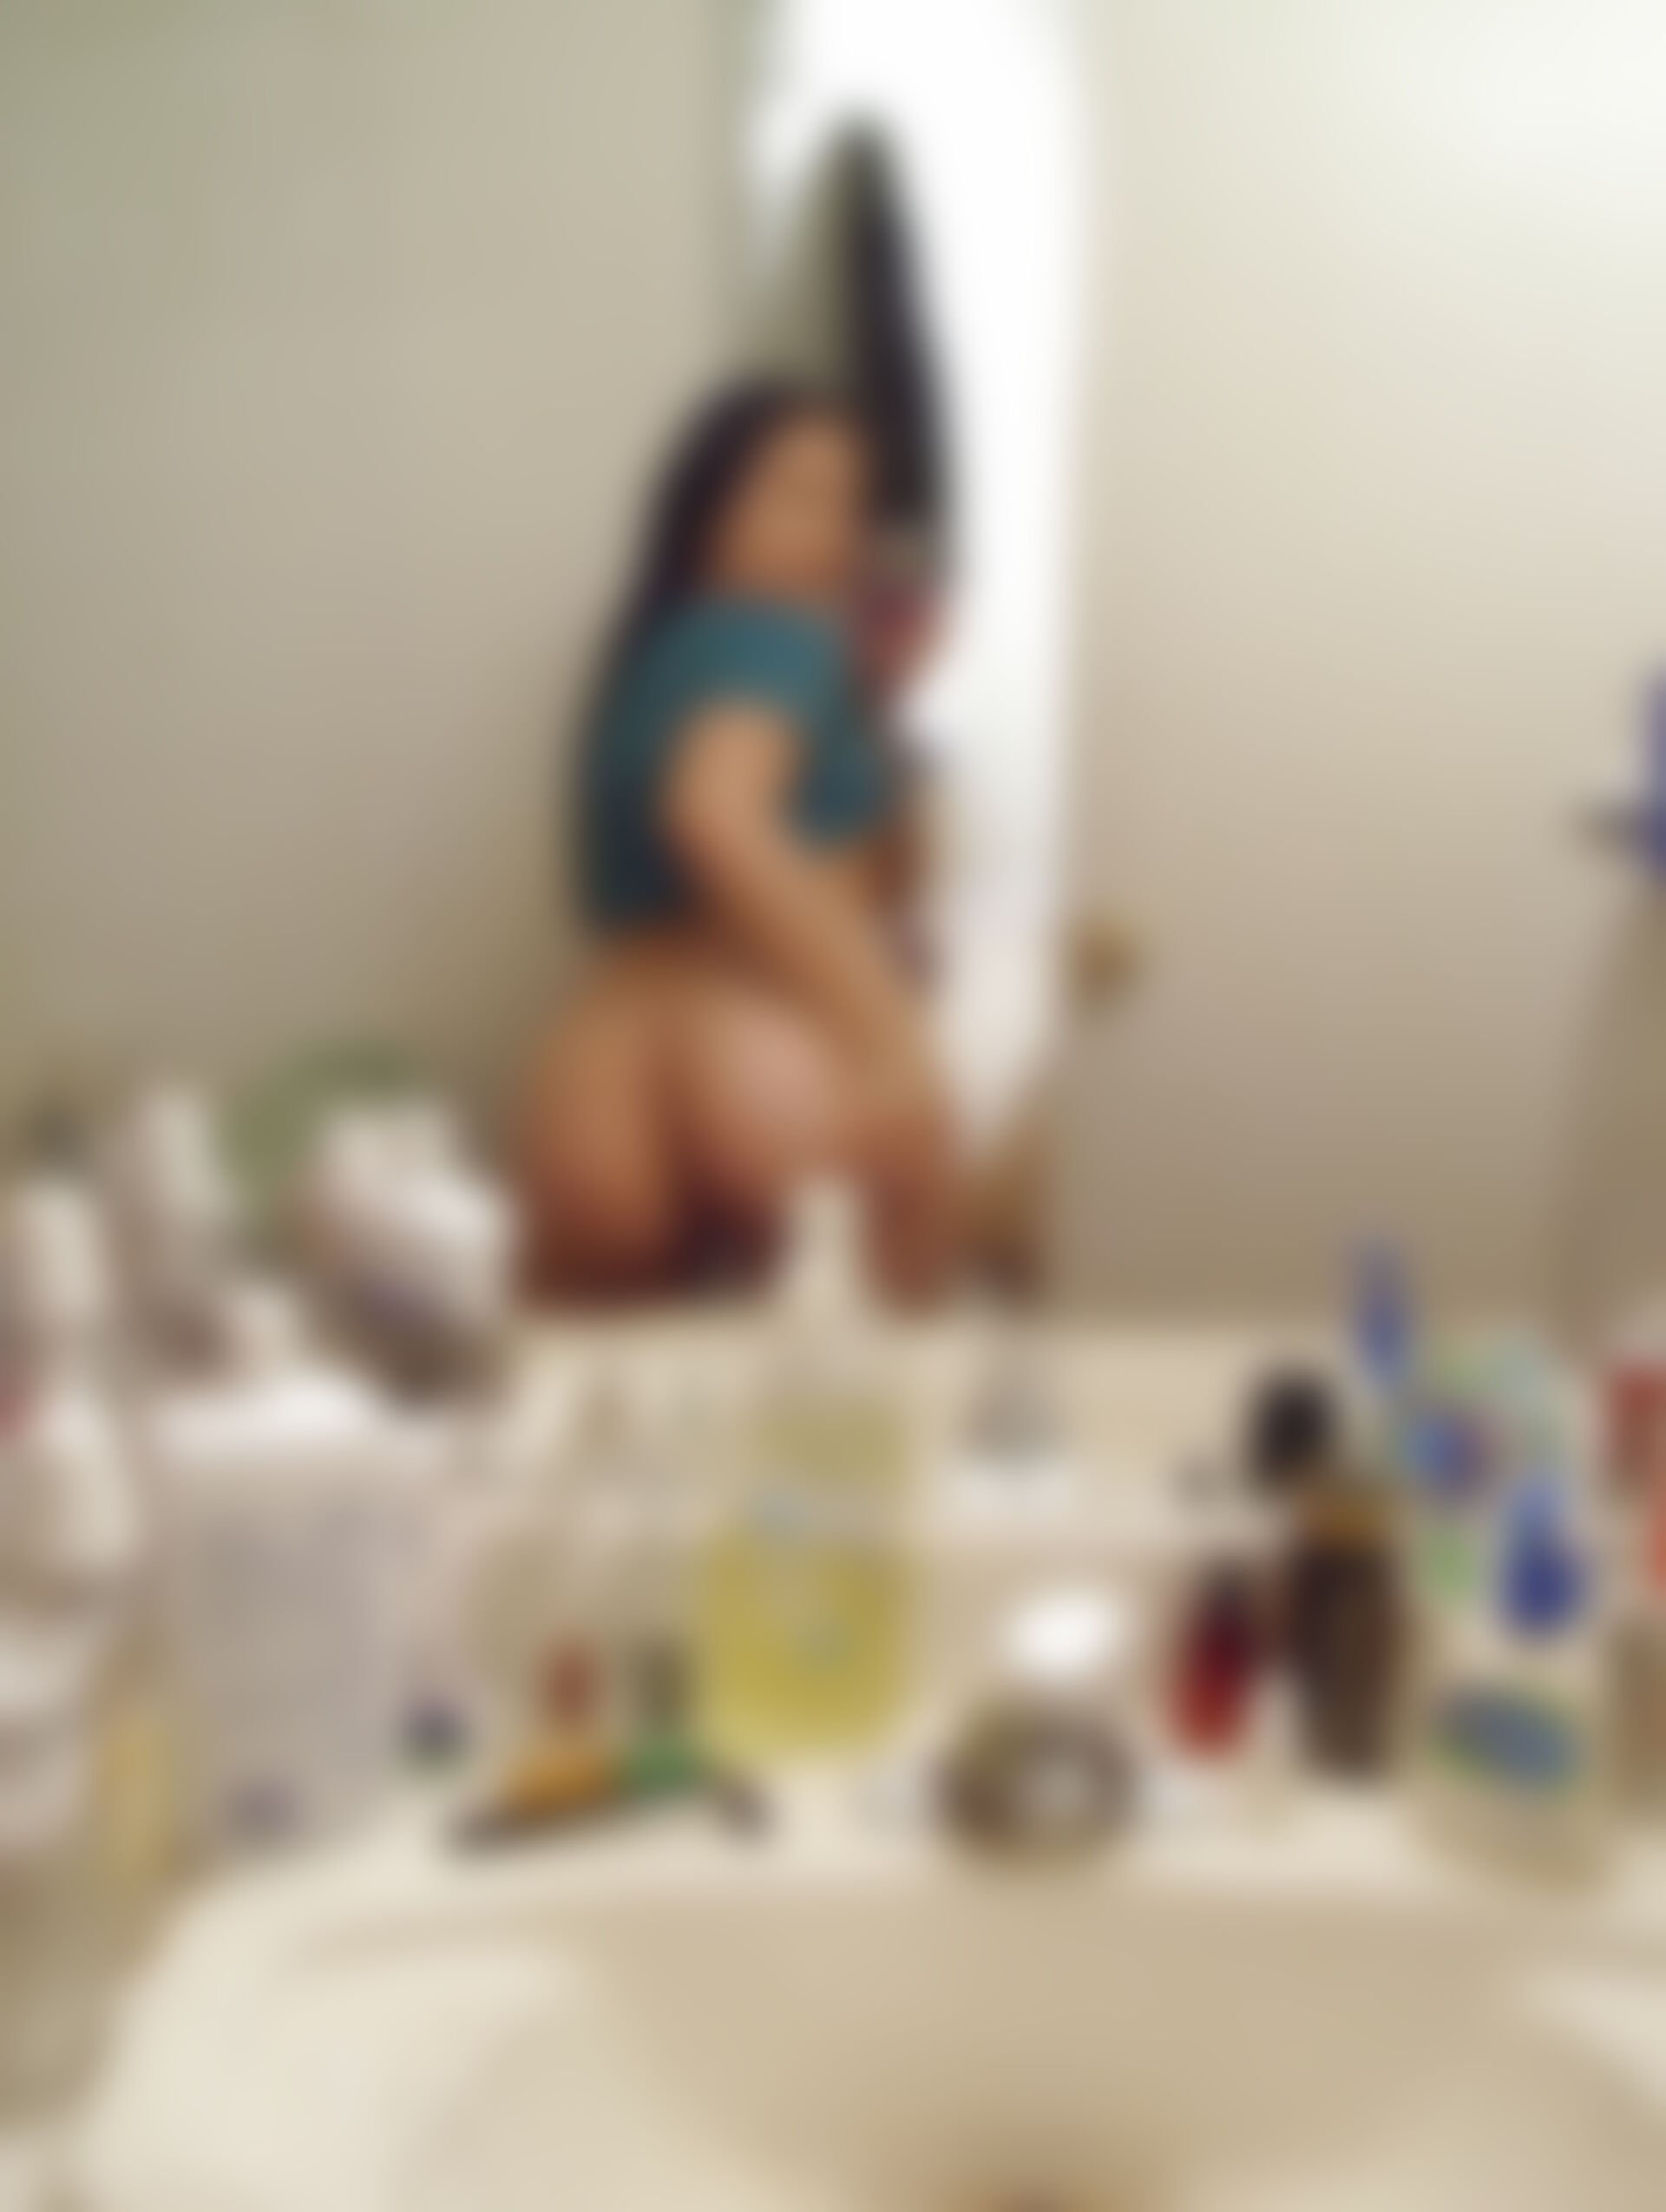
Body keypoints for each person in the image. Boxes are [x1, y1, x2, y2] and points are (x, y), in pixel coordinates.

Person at [521, 379, 957, 1298]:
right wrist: (889, 1040)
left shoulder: (653, 657)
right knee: (873, 1371)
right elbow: (716, 817)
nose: (834, 534)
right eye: (797, 495)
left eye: (851, 506)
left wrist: (881, 700)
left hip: (601, 1055)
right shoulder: (785, 638)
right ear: (706, 512)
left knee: (602, 1384)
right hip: (759, 1035)